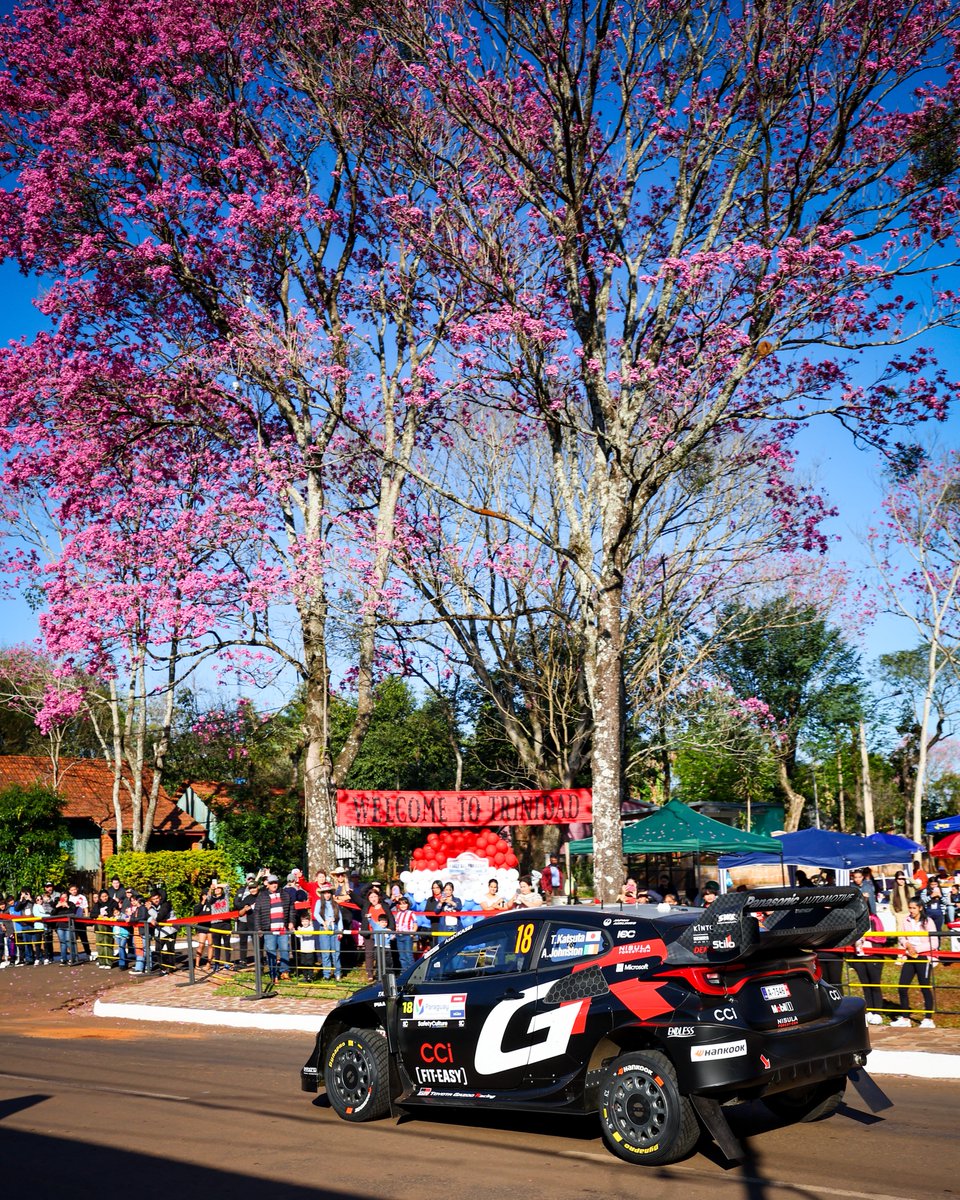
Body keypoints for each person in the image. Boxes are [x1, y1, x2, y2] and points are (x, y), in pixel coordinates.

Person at [890, 897, 937, 1028]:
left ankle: (928, 1019)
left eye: (914, 908)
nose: (911, 910)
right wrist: (907, 944)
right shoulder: (906, 920)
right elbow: (901, 937)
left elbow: (934, 943)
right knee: (902, 987)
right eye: (910, 908)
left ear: (920, 908)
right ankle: (905, 1018)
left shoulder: (928, 922)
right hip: (909, 957)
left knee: (924, 987)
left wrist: (917, 949)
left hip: (923, 957)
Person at [246, 873, 296, 983]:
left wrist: (291, 922)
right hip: (269, 930)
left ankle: (285, 972)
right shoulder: (262, 896)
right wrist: (258, 928)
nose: (274, 885)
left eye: (275, 883)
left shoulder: (285, 894)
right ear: (267, 884)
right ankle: (274, 975)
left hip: (282, 929)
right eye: (272, 883)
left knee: (285, 951)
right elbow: (257, 913)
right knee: (271, 953)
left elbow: (291, 909)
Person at [359, 884, 394, 982]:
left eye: (375, 896)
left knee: (384, 955)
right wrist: (371, 884)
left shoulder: (385, 906)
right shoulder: (366, 905)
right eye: (371, 897)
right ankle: (370, 974)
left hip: (383, 935)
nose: (373, 899)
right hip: (369, 933)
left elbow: (391, 918)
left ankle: (385, 974)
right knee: (369, 954)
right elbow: (362, 892)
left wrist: (391, 929)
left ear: (379, 897)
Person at [313, 880, 343, 981]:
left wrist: (340, 930)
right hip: (324, 929)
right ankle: (326, 974)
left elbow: (340, 917)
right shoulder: (319, 902)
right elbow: (316, 914)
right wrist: (323, 922)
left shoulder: (335, 904)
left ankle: (337, 973)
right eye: (325, 893)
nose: (327, 895)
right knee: (325, 952)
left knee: (336, 953)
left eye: (328, 892)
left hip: (335, 929)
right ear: (322, 894)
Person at [234, 875, 259, 968]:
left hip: (258, 923)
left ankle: (260, 961)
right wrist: (244, 909)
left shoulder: (262, 895)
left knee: (258, 943)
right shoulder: (243, 892)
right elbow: (238, 907)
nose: (252, 889)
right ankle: (243, 960)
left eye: (254, 887)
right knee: (243, 941)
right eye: (249, 879)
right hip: (245, 921)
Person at [208, 882, 232, 972]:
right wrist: (211, 888)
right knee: (216, 945)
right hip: (215, 924)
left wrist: (217, 885)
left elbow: (227, 886)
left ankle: (227, 963)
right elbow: (208, 897)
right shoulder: (212, 900)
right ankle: (217, 964)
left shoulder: (225, 897)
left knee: (227, 944)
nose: (217, 890)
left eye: (218, 889)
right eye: (216, 889)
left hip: (225, 923)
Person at [91, 889, 118, 969]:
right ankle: (101, 961)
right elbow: (92, 914)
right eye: (102, 897)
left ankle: (108, 962)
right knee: (100, 943)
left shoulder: (112, 902)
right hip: (99, 926)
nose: (104, 898)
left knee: (108, 943)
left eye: (106, 896)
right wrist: (98, 915)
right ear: (100, 897)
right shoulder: (98, 904)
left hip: (108, 926)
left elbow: (115, 912)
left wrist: (108, 916)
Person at [393, 894, 419, 972]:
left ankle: (412, 971)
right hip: (399, 935)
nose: (403, 906)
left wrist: (412, 933)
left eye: (404, 904)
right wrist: (396, 932)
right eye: (401, 904)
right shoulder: (398, 914)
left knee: (408, 954)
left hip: (407, 935)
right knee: (402, 956)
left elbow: (415, 924)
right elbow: (397, 924)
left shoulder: (411, 913)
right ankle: (404, 971)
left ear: (408, 904)